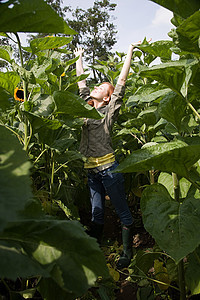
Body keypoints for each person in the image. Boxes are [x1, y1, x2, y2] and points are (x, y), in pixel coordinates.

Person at [74, 42, 142, 269]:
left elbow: (121, 82)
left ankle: (127, 252)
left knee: (122, 212)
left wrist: (130, 51)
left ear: (107, 98)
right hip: (91, 171)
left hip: (109, 170)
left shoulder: (108, 111)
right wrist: (79, 57)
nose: (96, 88)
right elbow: (81, 82)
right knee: (96, 213)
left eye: (102, 88)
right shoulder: (86, 105)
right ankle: (94, 251)